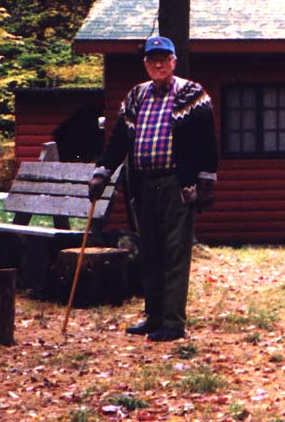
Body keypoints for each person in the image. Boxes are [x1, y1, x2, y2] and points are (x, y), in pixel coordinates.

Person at [88, 35, 218, 342]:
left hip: (177, 185)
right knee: (150, 251)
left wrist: (206, 182)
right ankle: (154, 316)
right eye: (152, 59)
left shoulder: (192, 94)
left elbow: (208, 143)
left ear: (173, 61)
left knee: (175, 252)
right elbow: (119, 139)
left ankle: (173, 322)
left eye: (163, 59)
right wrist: (101, 173)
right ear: (145, 64)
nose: (158, 64)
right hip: (144, 186)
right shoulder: (135, 97)